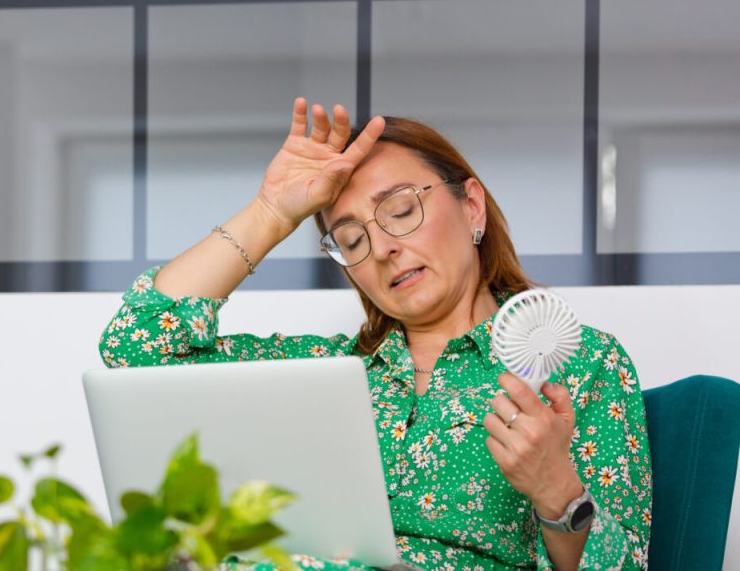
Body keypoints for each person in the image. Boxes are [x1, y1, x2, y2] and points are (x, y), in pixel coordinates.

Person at [99, 98, 652, 571]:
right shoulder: (321, 372)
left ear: (472, 207)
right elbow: (138, 349)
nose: (383, 246)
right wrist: (270, 213)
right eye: (352, 238)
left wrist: (558, 492)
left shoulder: (579, 364)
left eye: (401, 209)